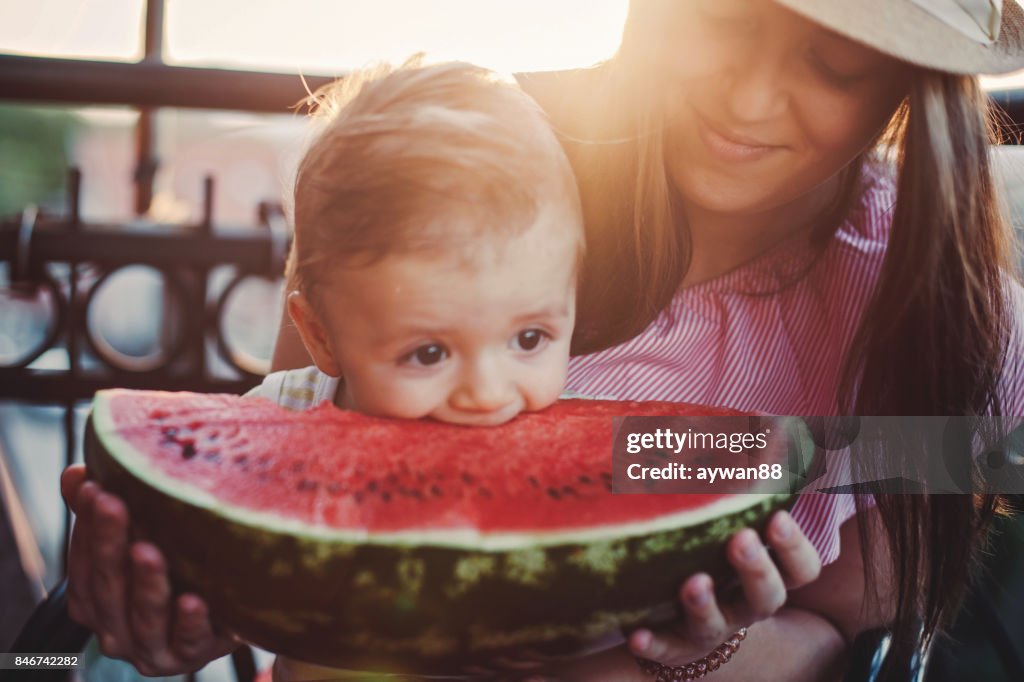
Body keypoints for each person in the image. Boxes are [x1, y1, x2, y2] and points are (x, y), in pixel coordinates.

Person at [61, 0, 1024, 679]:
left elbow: (858, 640)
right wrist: (188, 609)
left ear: (909, 83)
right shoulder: (444, 175)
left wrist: (720, 652)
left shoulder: (944, 318)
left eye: (837, 60)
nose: (751, 99)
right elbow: (298, 505)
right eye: (727, 17)